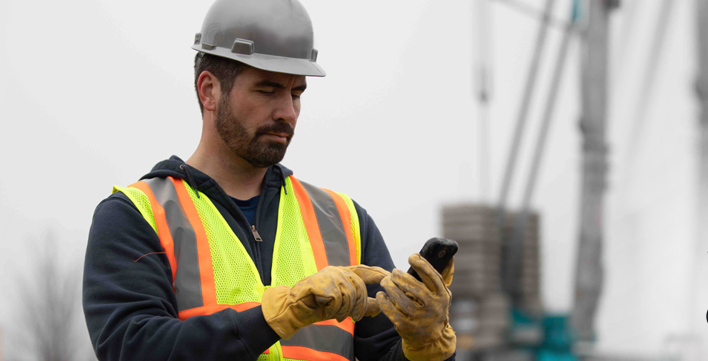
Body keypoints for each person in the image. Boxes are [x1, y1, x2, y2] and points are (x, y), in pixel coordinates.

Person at [82, 1, 455, 360]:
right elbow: (130, 349)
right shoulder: (136, 216)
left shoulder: (346, 222)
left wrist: (424, 349)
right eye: (268, 90)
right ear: (209, 90)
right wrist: (271, 317)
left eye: (296, 93)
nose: (287, 112)